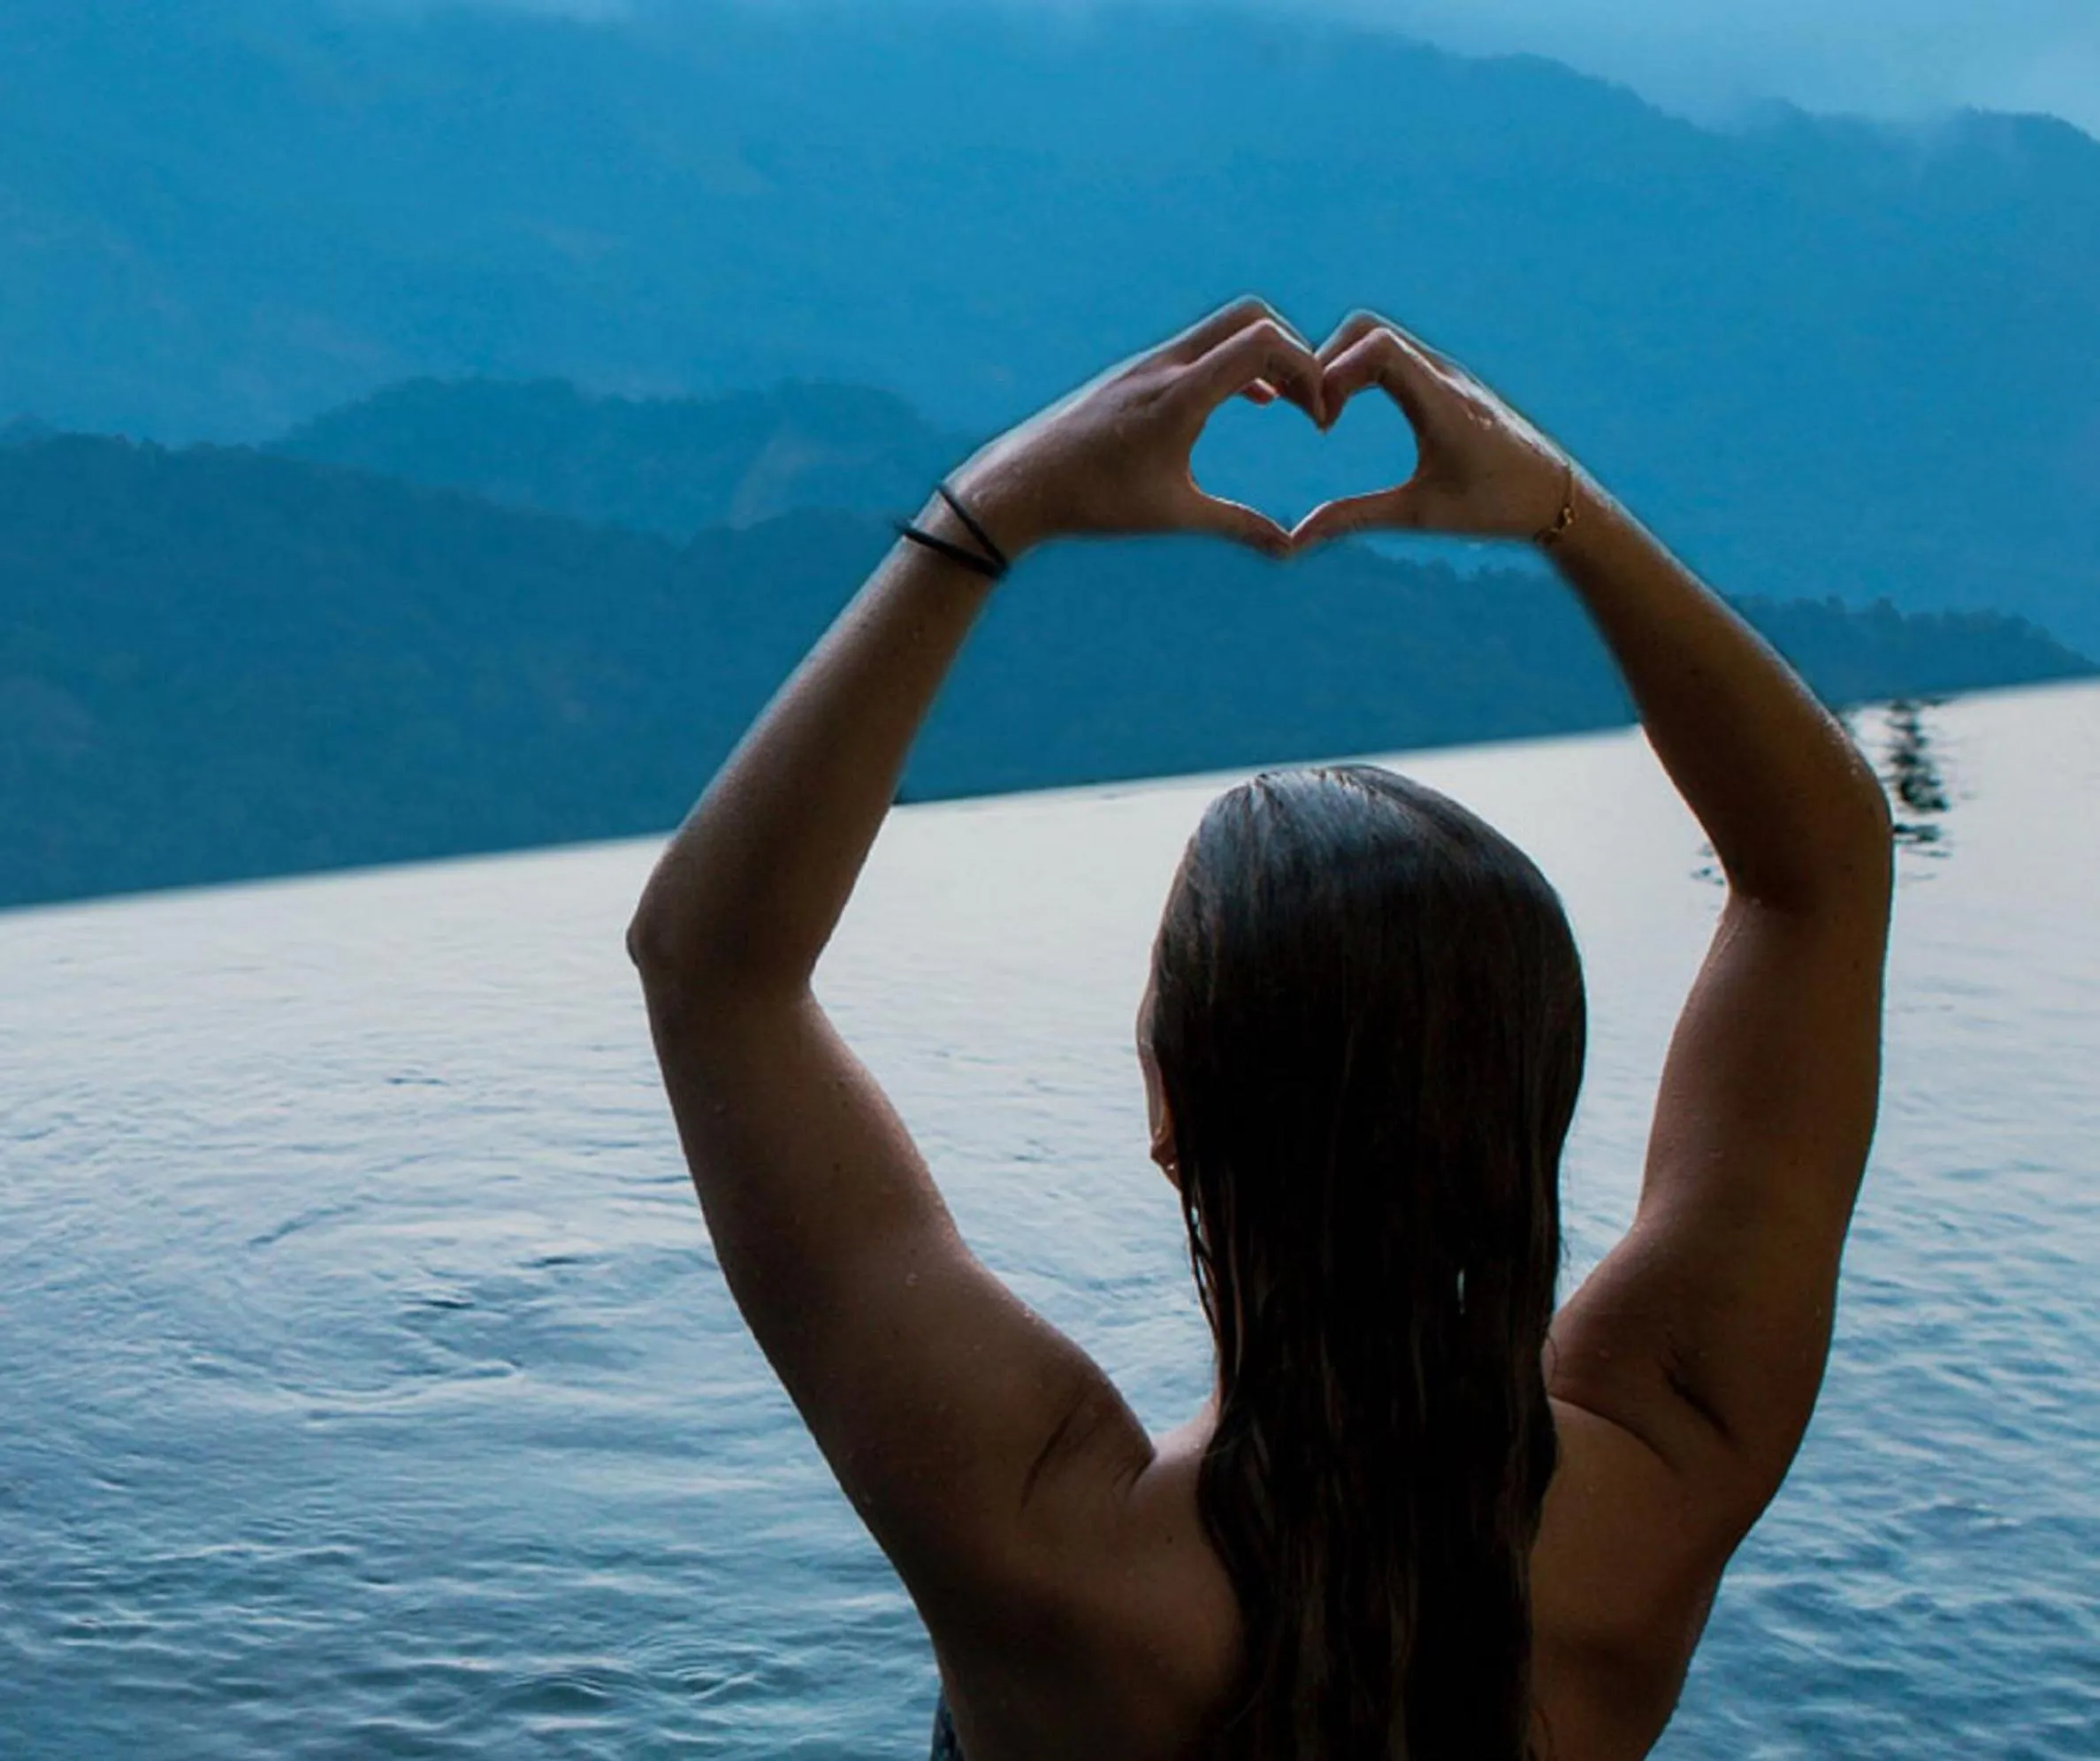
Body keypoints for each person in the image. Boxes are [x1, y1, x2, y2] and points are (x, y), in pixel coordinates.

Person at [626, 300, 1895, 1760]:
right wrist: (1559, 509)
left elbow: (712, 970)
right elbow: (1820, 875)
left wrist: (987, 513)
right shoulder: (1661, 1463)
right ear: (1532, 1104)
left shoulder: (1040, 1538)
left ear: (1170, 1114)